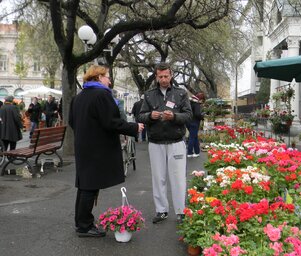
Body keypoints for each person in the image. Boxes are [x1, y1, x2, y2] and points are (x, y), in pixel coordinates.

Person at [69, 65, 144, 238]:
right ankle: (85, 226)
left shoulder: (79, 97)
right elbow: (111, 122)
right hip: (97, 148)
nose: (109, 80)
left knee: (84, 185)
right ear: (98, 77)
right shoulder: (102, 95)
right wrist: (134, 127)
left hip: (84, 146)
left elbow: (73, 122)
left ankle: (81, 221)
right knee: (90, 186)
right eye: (107, 76)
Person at [138, 62, 192, 224]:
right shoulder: (149, 95)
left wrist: (174, 117)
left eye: (166, 76)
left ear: (171, 75)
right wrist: (149, 116)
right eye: (160, 76)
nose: (163, 79)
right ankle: (161, 210)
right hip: (156, 142)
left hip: (176, 141)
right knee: (158, 177)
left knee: (178, 178)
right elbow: (140, 116)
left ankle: (181, 211)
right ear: (156, 77)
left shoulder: (181, 94)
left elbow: (189, 116)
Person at [186, 92, 205, 158]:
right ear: (200, 98)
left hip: (188, 121)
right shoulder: (196, 103)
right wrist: (202, 117)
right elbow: (197, 114)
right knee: (192, 137)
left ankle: (197, 152)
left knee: (194, 136)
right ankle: (189, 152)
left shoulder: (189, 102)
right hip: (194, 122)